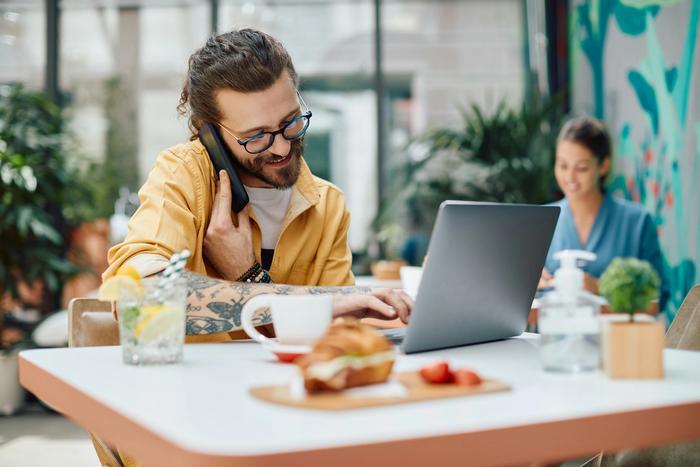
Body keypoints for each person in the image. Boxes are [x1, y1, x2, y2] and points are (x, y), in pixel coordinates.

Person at [103, 28, 413, 340]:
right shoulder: (182, 174)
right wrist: (311, 303)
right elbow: (139, 299)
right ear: (207, 133)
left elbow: (336, 338)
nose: (281, 148)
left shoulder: (327, 204)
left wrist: (248, 275)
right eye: (257, 137)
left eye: (291, 121)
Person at [539, 116, 669, 308]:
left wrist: (602, 288)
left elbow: (660, 295)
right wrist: (527, 285)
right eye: (563, 166)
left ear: (603, 166)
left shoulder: (637, 222)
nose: (569, 177)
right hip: (553, 335)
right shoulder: (539, 221)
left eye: (581, 168)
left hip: (617, 337)